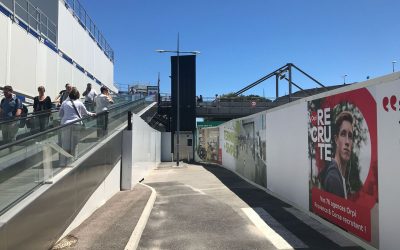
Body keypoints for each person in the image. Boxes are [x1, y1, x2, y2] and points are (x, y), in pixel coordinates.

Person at [59, 87, 94, 164]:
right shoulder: (79, 103)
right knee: (75, 144)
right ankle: (73, 161)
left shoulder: (64, 103)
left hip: (65, 124)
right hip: (76, 124)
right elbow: (86, 112)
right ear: (78, 95)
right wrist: (92, 114)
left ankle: (63, 162)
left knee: (65, 143)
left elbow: (60, 114)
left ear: (70, 95)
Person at [323, 111, 354, 199]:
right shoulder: (333, 178)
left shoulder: (342, 177)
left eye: (350, 136)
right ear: (336, 140)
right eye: (343, 134)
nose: (347, 142)